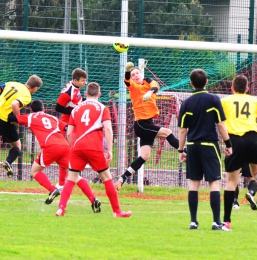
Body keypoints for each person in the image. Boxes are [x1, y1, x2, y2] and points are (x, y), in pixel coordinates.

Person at [56, 82, 132, 218]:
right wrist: (109, 149)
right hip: (94, 148)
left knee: (71, 179)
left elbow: (69, 133)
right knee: (107, 178)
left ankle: (61, 209)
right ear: (99, 94)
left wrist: (72, 147)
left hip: (77, 147)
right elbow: (108, 129)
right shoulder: (102, 108)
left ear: (85, 94)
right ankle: (117, 211)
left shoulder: (76, 109)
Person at [178, 69, 232, 231]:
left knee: (193, 184)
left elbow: (182, 130)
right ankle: (216, 222)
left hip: (193, 147)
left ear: (191, 83)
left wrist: (181, 150)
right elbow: (221, 125)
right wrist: (228, 144)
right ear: (207, 81)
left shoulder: (186, 103)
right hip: (209, 145)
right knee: (214, 183)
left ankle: (193, 221)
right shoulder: (214, 99)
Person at [116, 62, 180, 190]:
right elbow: (127, 80)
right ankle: (186, 151)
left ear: (141, 74)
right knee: (167, 132)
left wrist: (150, 92)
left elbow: (155, 85)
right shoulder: (133, 86)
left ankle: (122, 178)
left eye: (137, 73)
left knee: (145, 156)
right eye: (133, 74)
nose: (135, 76)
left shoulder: (148, 83)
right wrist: (127, 71)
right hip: (141, 123)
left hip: (148, 122)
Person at [221, 74, 257, 230]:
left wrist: (225, 142)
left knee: (231, 181)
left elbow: (220, 122)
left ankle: (227, 221)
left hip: (234, 139)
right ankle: (252, 190)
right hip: (253, 138)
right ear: (247, 88)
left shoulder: (224, 101)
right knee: (256, 173)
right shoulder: (256, 100)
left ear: (232, 88)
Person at [0, 75, 43, 178]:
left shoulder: (12, 83)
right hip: (4, 119)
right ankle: (8, 161)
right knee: (17, 146)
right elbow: (15, 104)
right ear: (36, 88)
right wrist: (18, 119)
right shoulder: (27, 96)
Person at [55, 68, 87, 190]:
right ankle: (62, 183)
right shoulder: (67, 93)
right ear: (75, 80)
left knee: (73, 152)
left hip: (75, 123)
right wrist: (73, 110)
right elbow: (58, 107)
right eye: (83, 80)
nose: (85, 83)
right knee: (67, 153)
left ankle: (67, 181)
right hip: (67, 125)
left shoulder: (76, 88)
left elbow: (77, 101)